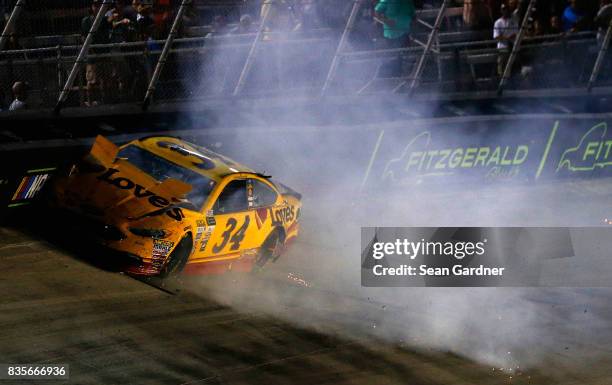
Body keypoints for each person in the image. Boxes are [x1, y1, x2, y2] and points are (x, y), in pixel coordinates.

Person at [374, 0, 415, 77]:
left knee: (404, 55)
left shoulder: (408, 2)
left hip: (405, 33)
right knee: (394, 56)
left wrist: (412, 27)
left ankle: (402, 74)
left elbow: (413, 16)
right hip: (391, 34)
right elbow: (376, 12)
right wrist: (386, 21)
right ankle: (393, 74)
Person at [493, 4, 518, 77]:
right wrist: (507, 38)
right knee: (502, 68)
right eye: (503, 9)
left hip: (513, 47)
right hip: (502, 48)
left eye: (506, 9)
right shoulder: (497, 22)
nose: (505, 11)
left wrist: (510, 38)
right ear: (501, 11)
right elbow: (496, 36)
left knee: (514, 68)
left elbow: (516, 33)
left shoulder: (513, 20)